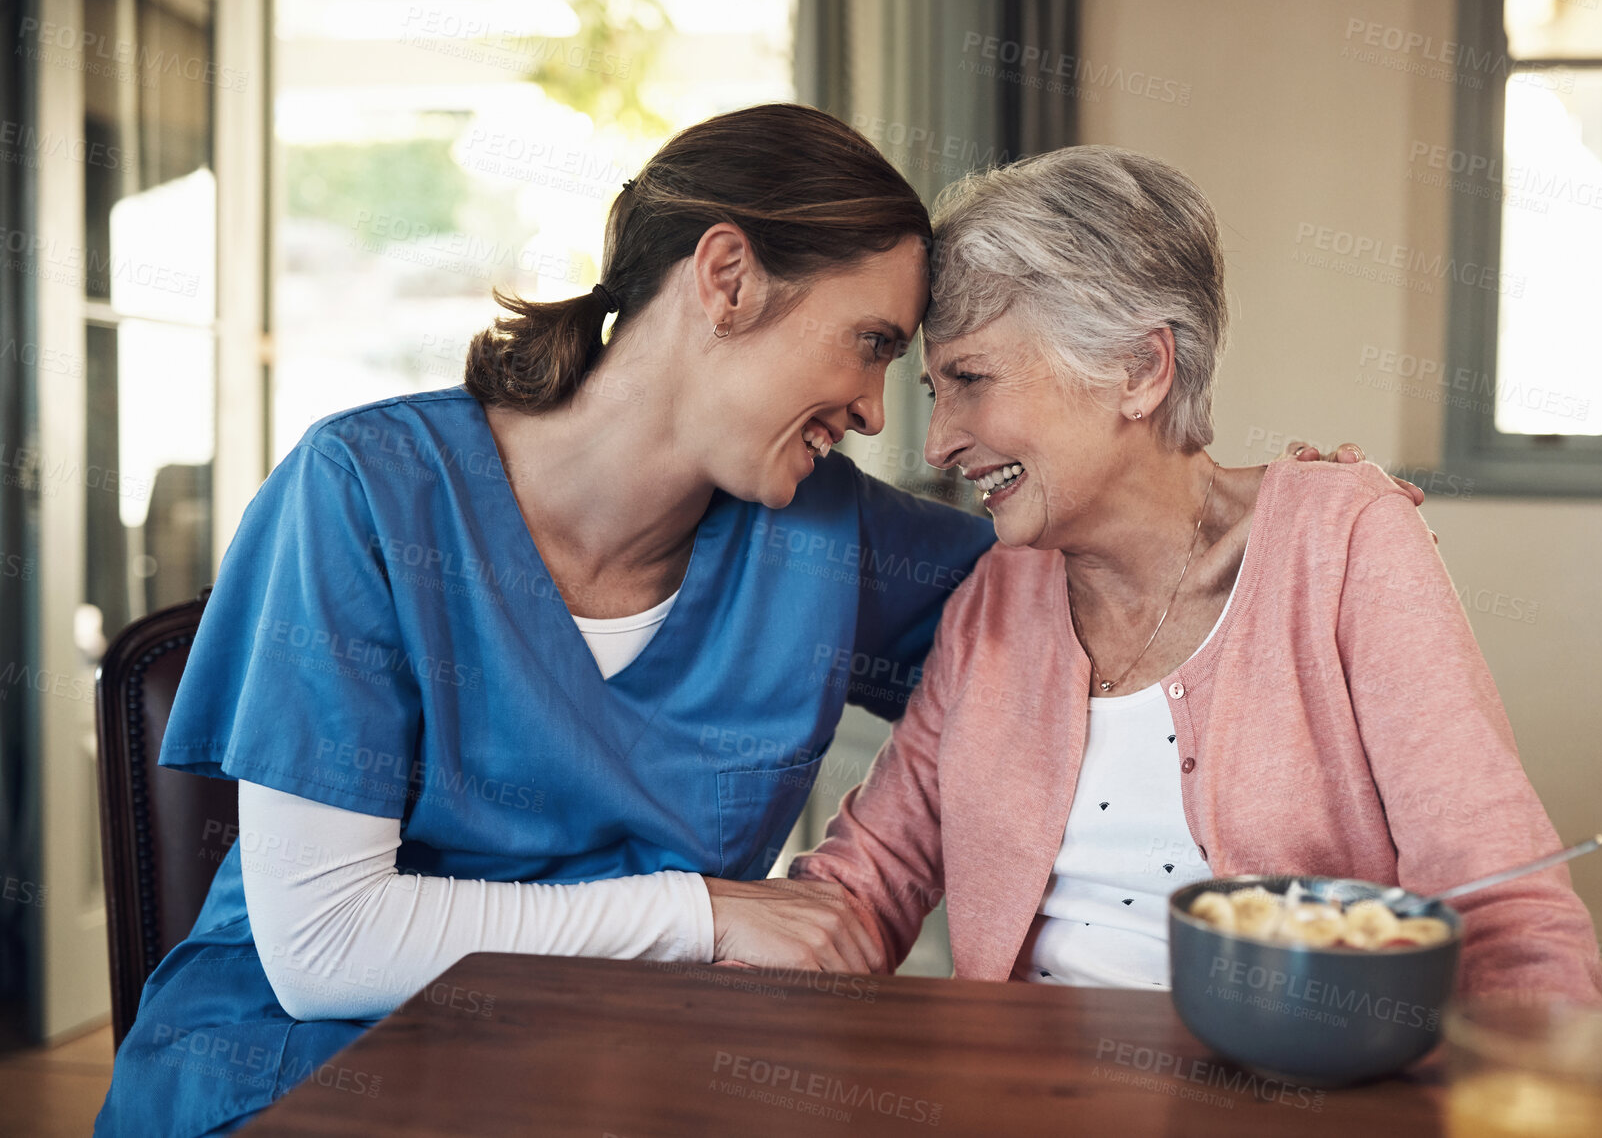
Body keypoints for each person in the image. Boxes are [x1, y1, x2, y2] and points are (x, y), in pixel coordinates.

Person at [95, 104, 1403, 1136]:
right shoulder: (364, 496)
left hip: (619, 1089)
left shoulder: (826, 535)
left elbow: (1103, 579)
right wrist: (709, 914)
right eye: (873, 344)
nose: (886, 415)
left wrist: (1280, 517)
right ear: (725, 276)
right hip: (301, 1082)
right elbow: (325, 946)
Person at [789, 145, 1602, 1004]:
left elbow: (1504, 907)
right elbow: (863, 886)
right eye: (933, 387)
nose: (937, 443)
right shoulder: (997, 595)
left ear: (1140, 370)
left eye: (970, 379)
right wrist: (691, 951)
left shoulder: (1342, 544)